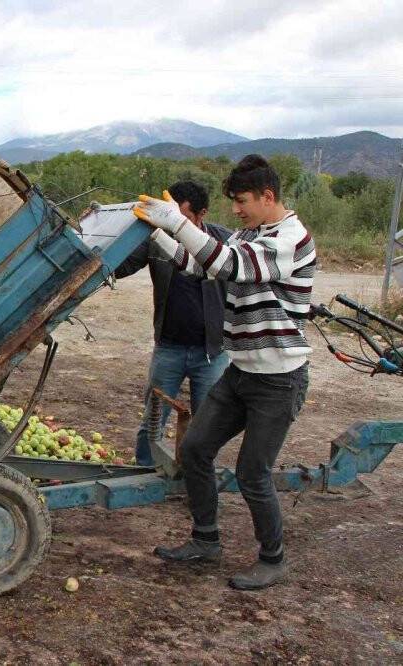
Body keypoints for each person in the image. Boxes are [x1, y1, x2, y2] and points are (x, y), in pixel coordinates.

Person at [133, 154, 314, 590]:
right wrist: (159, 232)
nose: (236, 209)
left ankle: (273, 559)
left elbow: (230, 265)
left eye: (243, 200)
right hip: (242, 372)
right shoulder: (251, 232)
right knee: (195, 449)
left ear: (268, 196)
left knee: (253, 473)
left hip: (278, 378)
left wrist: (178, 223)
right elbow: (204, 267)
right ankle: (206, 540)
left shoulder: (290, 238)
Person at [114, 180, 230, 467]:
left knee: (207, 425)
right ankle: (143, 471)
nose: (175, 225)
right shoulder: (158, 238)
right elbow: (121, 266)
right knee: (153, 419)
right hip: (169, 349)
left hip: (211, 353)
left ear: (202, 214)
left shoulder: (224, 243)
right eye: (171, 216)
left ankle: (196, 479)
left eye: (183, 219)